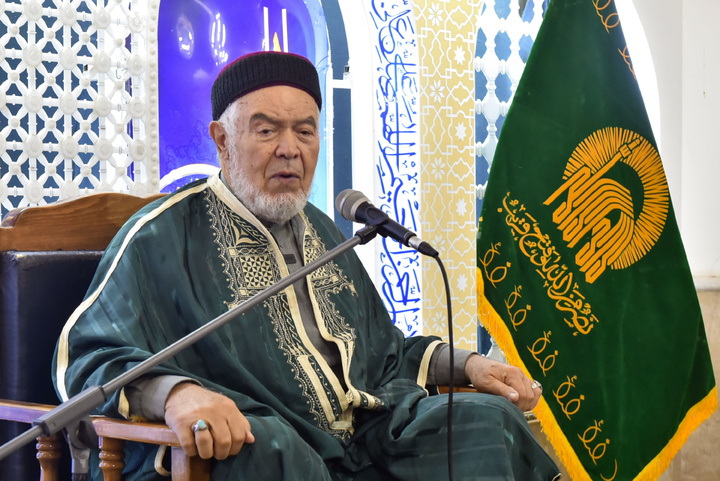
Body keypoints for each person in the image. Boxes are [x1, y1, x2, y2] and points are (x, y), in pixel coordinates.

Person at [53, 51, 560, 481]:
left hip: (367, 437)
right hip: (268, 450)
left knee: (484, 420)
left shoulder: (322, 230)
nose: (289, 149)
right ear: (223, 141)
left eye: (305, 130)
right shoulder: (162, 235)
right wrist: (177, 394)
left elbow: (385, 355)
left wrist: (470, 365)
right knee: (268, 447)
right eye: (267, 129)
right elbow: (88, 357)